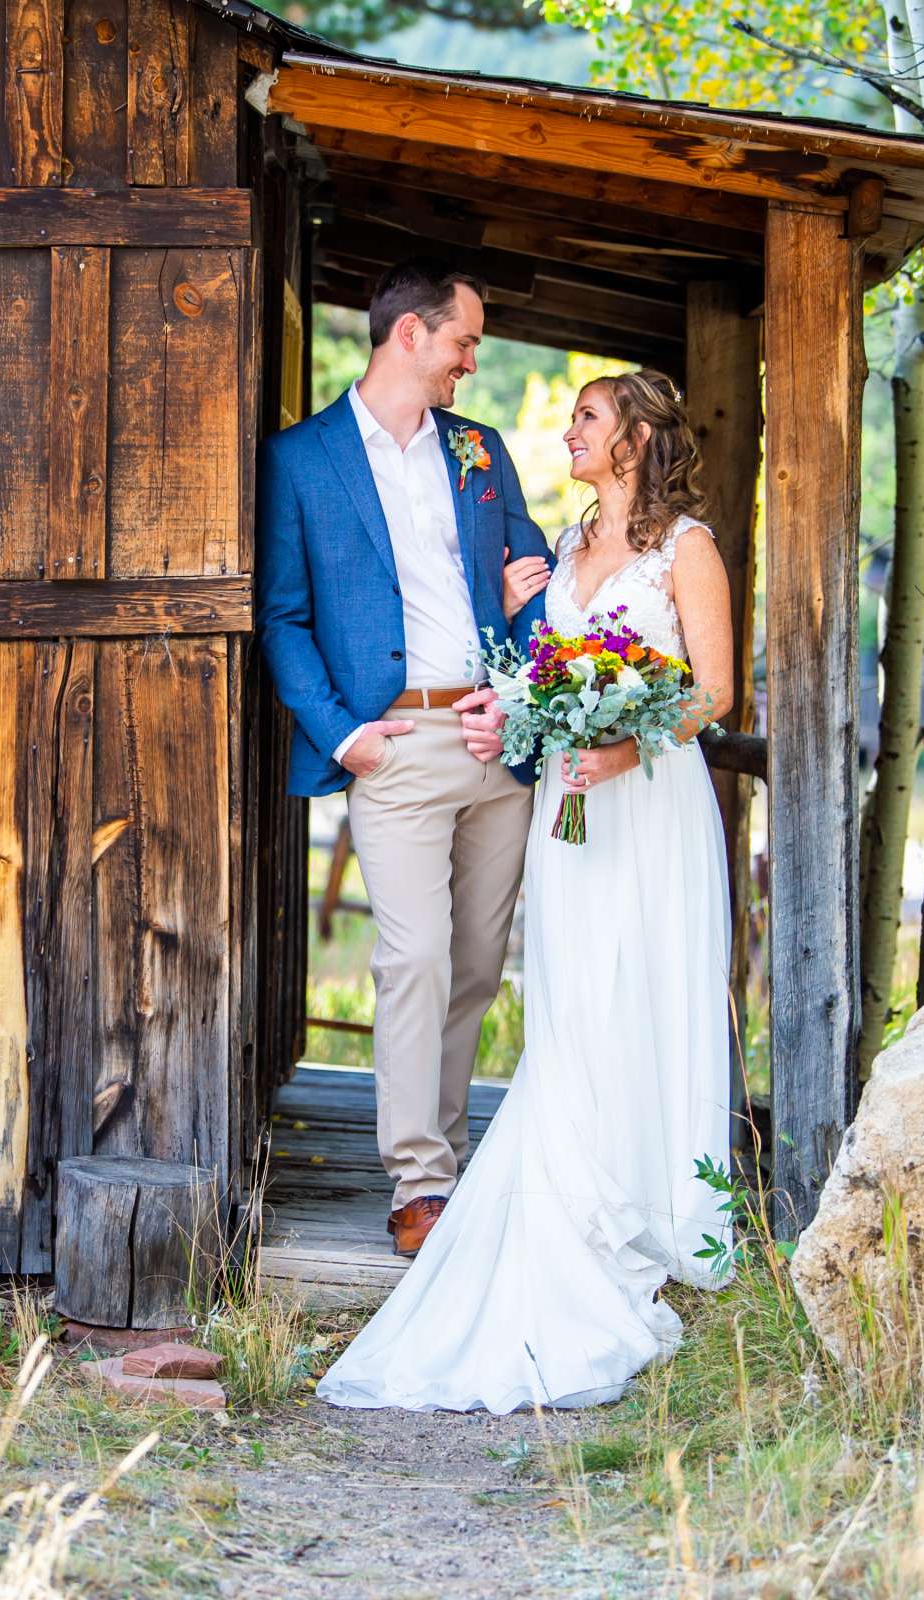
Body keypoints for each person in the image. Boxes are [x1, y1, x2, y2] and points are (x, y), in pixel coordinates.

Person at [315, 367, 737, 1414]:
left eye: (586, 417)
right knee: (569, 993)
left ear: (635, 435)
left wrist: (626, 751)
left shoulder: (688, 549)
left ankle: (649, 1197)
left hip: (647, 802)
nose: (568, 432)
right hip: (564, 800)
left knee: (645, 983)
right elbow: (541, 665)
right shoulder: (564, 548)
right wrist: (519, 711)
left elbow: (715, 691)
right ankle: (571, 1175)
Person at [255, 258, 554, 1259]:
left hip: (494, 738)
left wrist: (516, 686)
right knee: (413, 957)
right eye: (465, 341)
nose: (473, 362)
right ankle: (418, 1183)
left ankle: (453, 1162)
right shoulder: (301, 461)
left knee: (474, 965)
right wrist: (342, 732)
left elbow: (536, 584)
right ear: (411, 336)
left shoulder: (481, 450)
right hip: (394, 748)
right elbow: (284, 616)